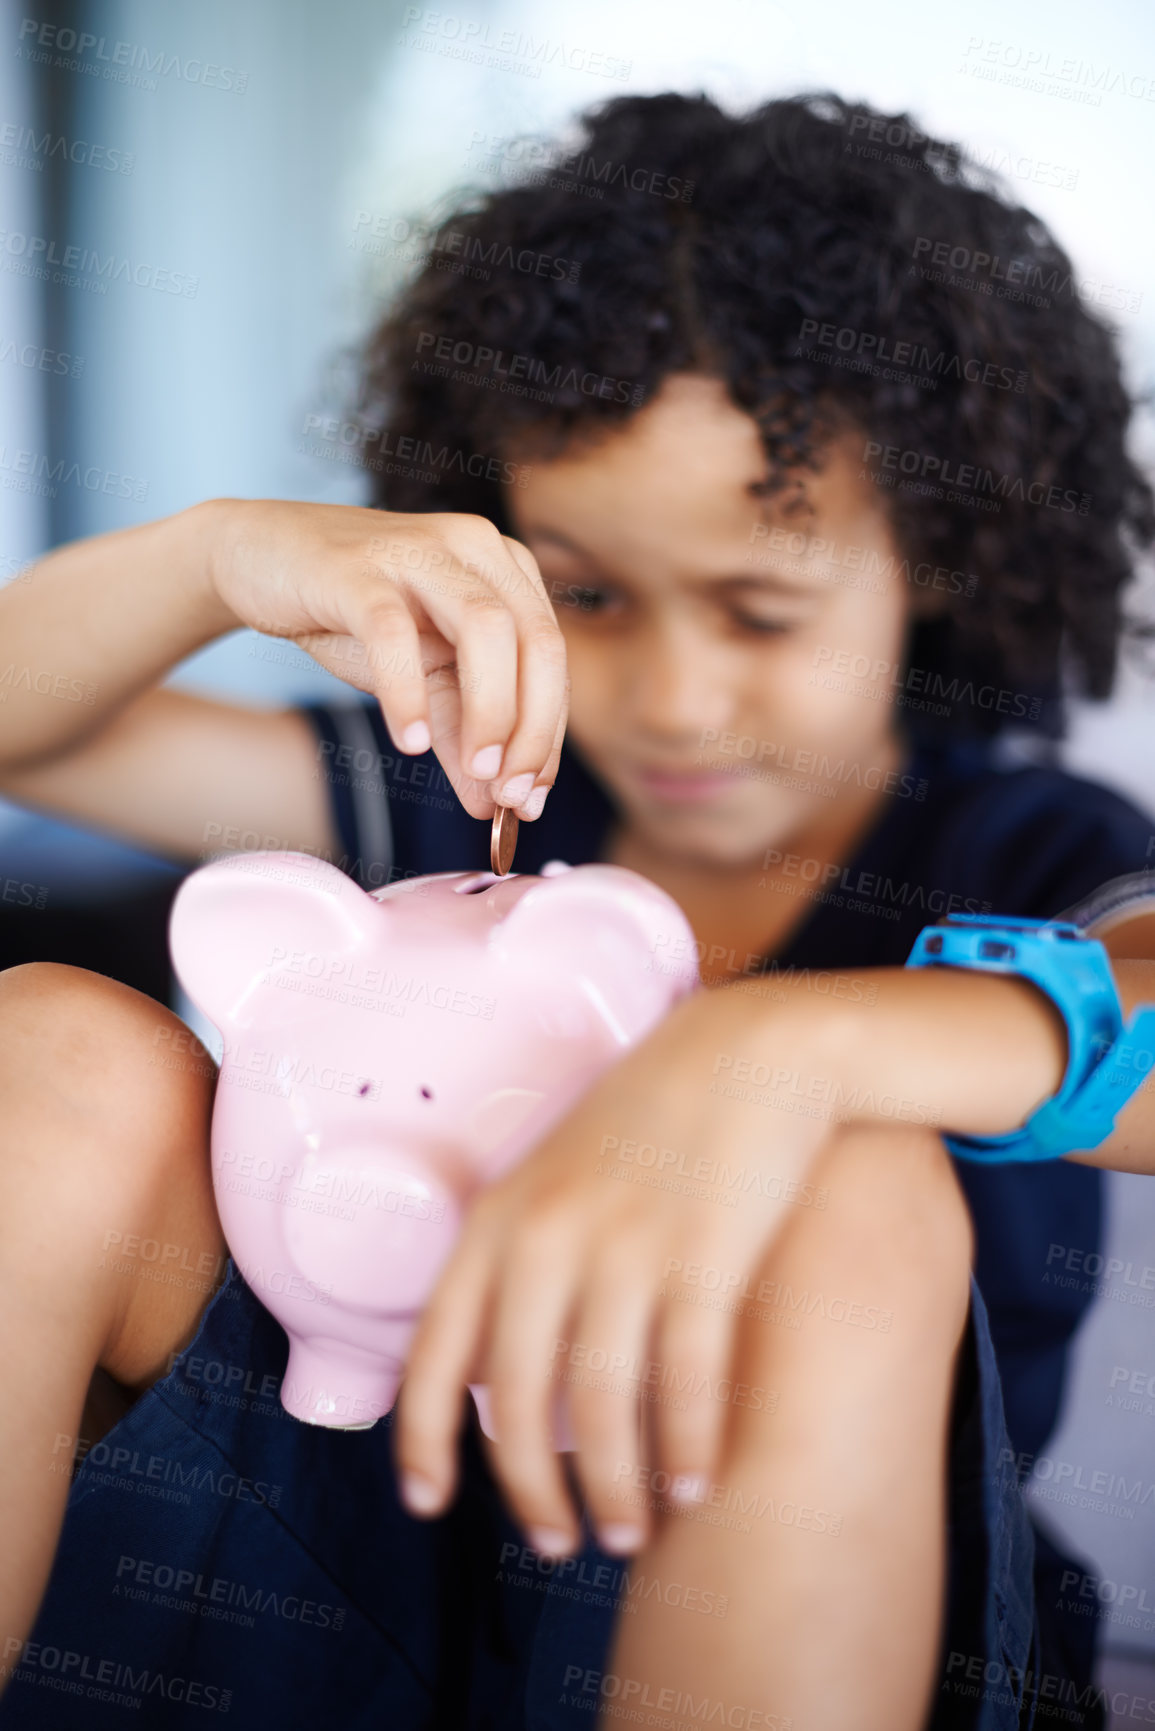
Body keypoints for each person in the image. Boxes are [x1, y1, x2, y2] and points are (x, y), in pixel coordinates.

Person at [0, 89, 1153, 1730]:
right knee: (46, 1056)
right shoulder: (467, 785)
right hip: (348, 1538)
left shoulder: (1023, 845)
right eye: (587, 595)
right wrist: (211, 561)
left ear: (943, 555)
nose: (675, 701)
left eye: (761, 609)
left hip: (808, 1580)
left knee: (848, 1188)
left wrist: (784, 1063)